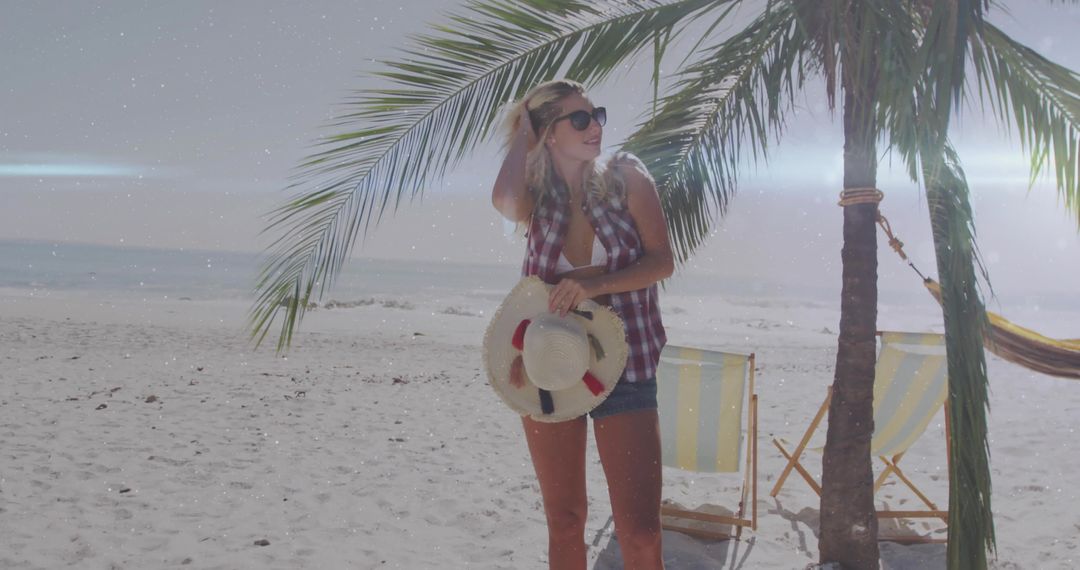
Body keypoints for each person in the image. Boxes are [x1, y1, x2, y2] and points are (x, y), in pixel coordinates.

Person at [490, 79, 673, 570]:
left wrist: (596, 285)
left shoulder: (626, 177)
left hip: (628, 361)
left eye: (597, 115)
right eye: (579, 119)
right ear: (550, 133)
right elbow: (503, 202)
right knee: (566, 520)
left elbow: (661, 261)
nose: (595, 127)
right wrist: (522, 136)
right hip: (550, 363)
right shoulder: (537, 197)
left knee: (639, 532)